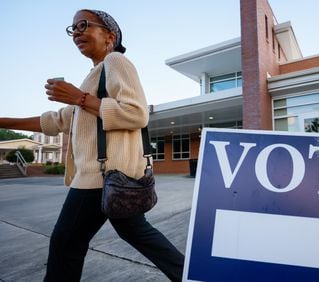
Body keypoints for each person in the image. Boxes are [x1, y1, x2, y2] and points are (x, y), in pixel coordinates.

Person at [0, 9, 184, 282]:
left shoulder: (117, 62)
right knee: (136, 234)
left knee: (66, 244)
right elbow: (57, 121)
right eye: (72, 28)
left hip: (101, 176)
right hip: (113, 177)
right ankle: (194, 275)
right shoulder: (95, 75)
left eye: (83, 25)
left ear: (109, 36)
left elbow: (137, 113)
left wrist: (79, 97)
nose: (75, 32)